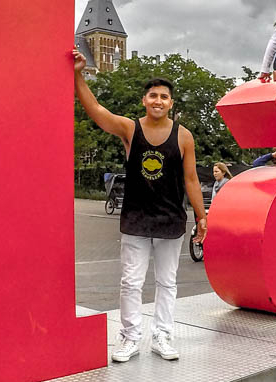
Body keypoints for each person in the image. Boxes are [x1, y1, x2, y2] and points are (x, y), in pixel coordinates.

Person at [73, 48, 207, 363]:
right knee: (131, 282)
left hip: (170, 221)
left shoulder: (183, 136)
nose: (158, 100)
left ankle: (162, 336)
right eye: (152, 95)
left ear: (171, 103)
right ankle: (130, 337)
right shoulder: (130, 129)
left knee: (166, 282)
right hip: (136, 219)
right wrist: (78, 73)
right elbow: (95, 110)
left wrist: (201, 218)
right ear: (144, 101)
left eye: (164, 96)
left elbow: (191, 181)